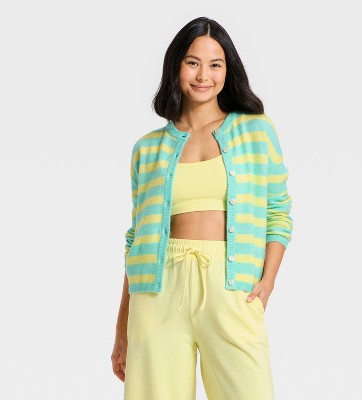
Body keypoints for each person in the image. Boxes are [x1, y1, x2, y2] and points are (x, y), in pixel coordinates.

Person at [111, 16, 293, 400]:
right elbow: (136, 239)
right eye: (192, 62)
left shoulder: (256, 131)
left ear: (229, 70)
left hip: (231, 286)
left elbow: (278, 212)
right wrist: (121, 327)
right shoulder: (147, 149)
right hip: (157, 292)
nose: (203, 75)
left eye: (215, 64)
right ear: (176, 65)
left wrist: (268, 281)